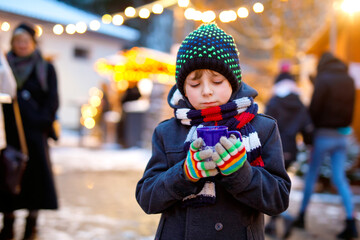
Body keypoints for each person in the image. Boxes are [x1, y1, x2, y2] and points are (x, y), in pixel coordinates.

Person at [135, 23, 291, 239]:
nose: (207, 91)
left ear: (233, 82)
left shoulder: (263, 128)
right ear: (183, 88)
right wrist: (185, 174)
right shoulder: (167, 132)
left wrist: (241, 173)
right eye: (195, 84)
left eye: (217, 81)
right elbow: (147, 198)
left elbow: (279, 200)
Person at [288, 52, 358, 240]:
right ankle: (351, 221)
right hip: (342, 136)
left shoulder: (323, 78)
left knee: (312, 175)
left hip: (323, 136)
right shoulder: (348, 80)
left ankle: (302, 216)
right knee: (340, 178)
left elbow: (314, 109)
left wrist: (309, 136)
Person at [0, 23, 59, 240]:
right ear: (12, 43)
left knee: (36, 179)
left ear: (34, 43)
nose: (21, 45)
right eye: (17, 41)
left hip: (35, 134)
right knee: (8, 176)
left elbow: (52, 100)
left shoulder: (45, 68)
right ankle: (7, 222)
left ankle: (31, 224)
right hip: (9, 132)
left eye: (26, 41)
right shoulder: (4, 66)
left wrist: (41, 121)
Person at [264, 61, 313, 238]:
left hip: (274, 147)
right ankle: (274, 221)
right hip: (291, 148)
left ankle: (282, 217)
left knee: (272, 183)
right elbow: (307, 126)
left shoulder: (275, 100)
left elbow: (265, 122)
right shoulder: (299, 102)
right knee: (279, 184)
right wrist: (309, 144)